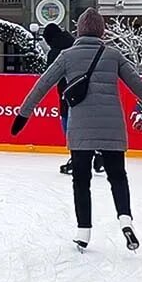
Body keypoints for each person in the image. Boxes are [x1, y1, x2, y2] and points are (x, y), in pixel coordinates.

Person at [12, 8, 142, 251]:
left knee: (81, 180)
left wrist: (23, 115)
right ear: (101, 31)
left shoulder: (67, 56)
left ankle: (84, 233)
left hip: (80, 128)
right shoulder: (113, 55)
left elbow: (42, 85)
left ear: (79, 30)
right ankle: (125, 221)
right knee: (118, 177)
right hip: (112, 127)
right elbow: (140, 87)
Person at [44, 23, 105, 176]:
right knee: (86, 125)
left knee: (69, 125)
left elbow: (50, 76)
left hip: (68, 94)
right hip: (87, 90)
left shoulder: (56, 52)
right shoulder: (75, 44)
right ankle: (97, 153)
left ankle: (76, 158)